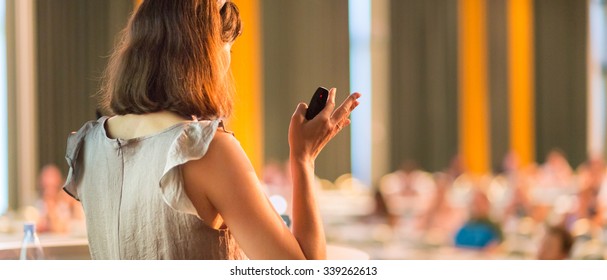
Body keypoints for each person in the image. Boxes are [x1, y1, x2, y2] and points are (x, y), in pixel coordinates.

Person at [62, 0, 361, 260]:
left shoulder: (87, 145)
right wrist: (303, 159)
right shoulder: (204, 149)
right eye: (227, 48)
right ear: (205, 56)